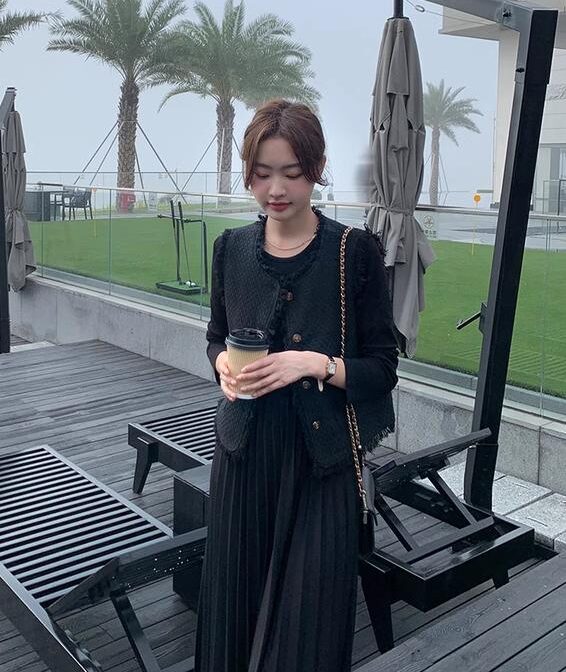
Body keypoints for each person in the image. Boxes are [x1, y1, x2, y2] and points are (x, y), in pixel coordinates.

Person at [195, 99, 398, 672]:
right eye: (262, 174)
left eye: (291, 172)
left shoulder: (353, 252)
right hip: (242, 458)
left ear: (317, 167)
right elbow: (214, 338)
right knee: (233, 613)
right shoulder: (231, 249)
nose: (276, 189)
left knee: (309, 627)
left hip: (320, 464)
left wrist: (316, 364)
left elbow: (383, 368)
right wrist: (222, 365)